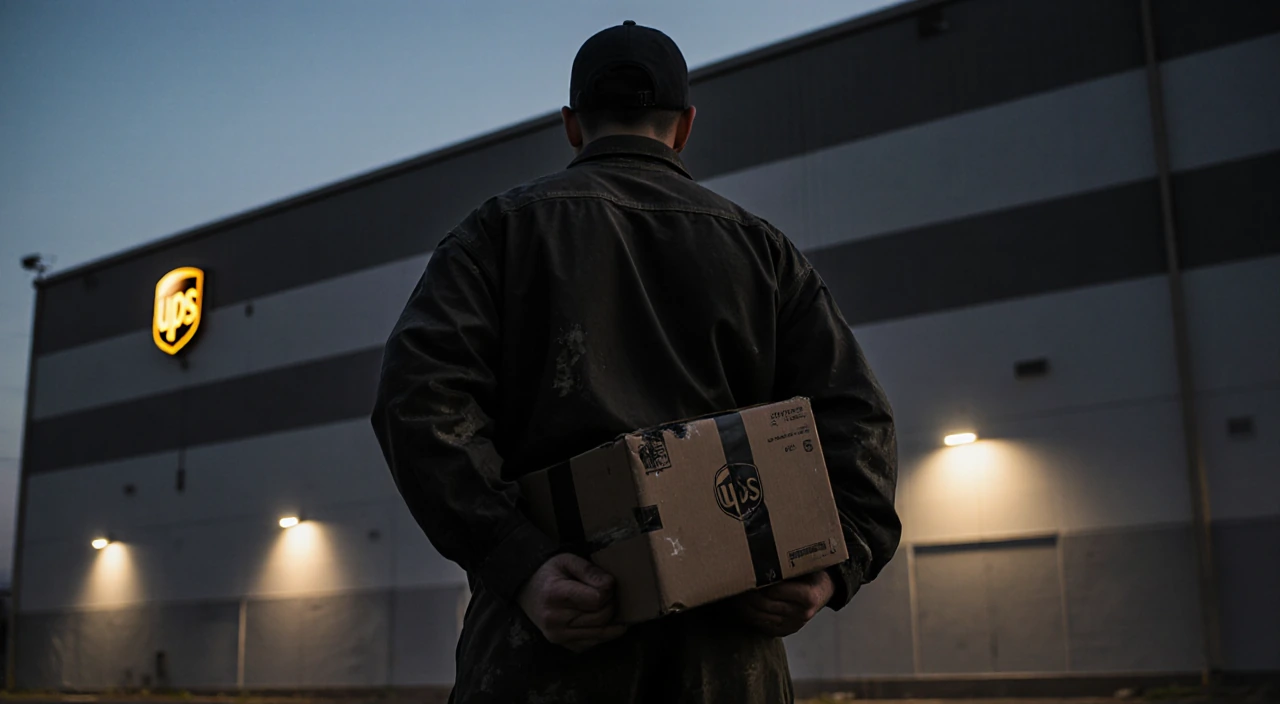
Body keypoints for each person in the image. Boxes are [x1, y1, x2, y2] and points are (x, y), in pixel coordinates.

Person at [371, 20, 900, 704]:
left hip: (550, 645)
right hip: (728, 661)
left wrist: (522, 562)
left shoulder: (498, 233)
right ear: (684, 127)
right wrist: (828, 568)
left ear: (571, 124)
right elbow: (860, 421)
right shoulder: (763, 253)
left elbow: (417, 398)